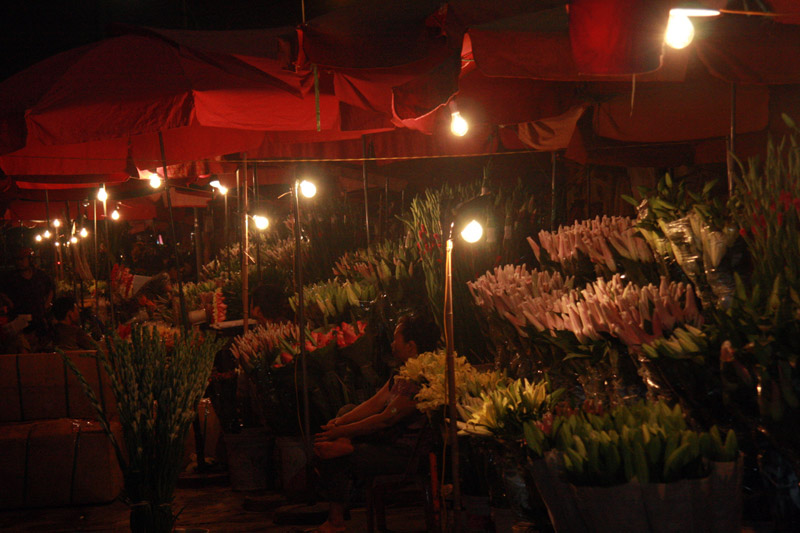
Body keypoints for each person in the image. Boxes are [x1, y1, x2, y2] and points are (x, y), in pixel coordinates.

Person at [312, 313, 441, 533]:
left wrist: (342, 431)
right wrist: (340, 422)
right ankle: (346, 443)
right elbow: (376, 402)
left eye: (395, 339)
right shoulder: (401, 373)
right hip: (387, 441)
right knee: (347, 410)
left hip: (403, 454)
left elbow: (386, 417)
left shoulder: (424, 379)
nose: (391, 345)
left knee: (334, 457)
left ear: (411, 346)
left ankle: (335, 522)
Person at [1, 247, 54, 341]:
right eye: (17, 260)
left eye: (22, 259)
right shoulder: (11, 278)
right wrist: (10, 303)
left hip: (38, 318)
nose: (19, 262)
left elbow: (50, 288)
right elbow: (2, 292)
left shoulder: (40, 276)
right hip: (19, 320)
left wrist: (45, 305)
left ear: (29, 259)